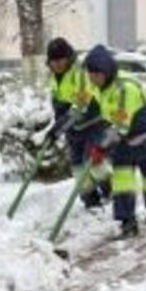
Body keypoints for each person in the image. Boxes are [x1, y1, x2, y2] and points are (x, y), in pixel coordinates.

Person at [83, 44, 146, 238]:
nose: (93, 79)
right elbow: (96, 112)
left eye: (96, 75)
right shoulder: (101, 87)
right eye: (90, 75)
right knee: (122, 180)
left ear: (107, 71)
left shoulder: (126, 88)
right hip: (124, 139)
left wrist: (101, 147)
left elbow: (120, 126)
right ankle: (127, 222)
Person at [45, 37, 109, 208]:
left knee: (92, 160)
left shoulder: (81, 72)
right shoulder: (55, 77)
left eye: (60, 59)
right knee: (77, 166)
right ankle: (91, 201)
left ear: (68, 57)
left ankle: (112, 191)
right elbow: (59, 105)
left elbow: (81, 104)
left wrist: (60, 126)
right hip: (73, 128)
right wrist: (57, 127)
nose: (57, 64)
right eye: (53, 61)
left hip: (93, 122)